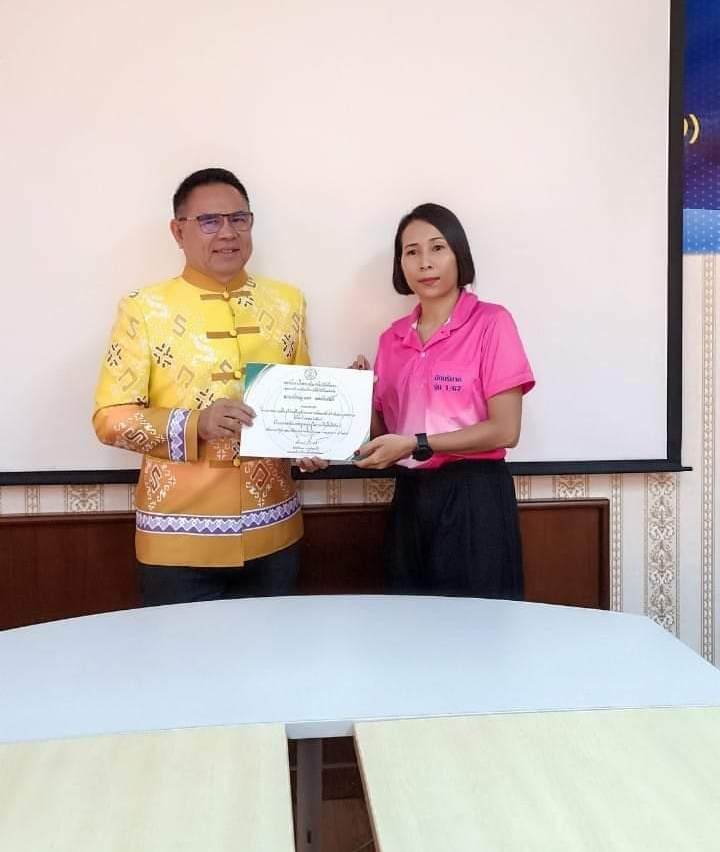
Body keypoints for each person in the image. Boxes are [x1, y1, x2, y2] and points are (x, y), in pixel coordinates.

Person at [93, 167, 323, 606]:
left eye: (239, 219)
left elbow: (298, 401)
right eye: (209, 221)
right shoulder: (144, 309)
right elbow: (110, 419)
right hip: (176, 537)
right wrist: (196, 423)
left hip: (274, 532)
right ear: (178, 231)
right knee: (184, 652)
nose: (227, 233)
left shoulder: (287, 302)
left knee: (274, 649)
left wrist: (312, 439)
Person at [354, 203, 534, 598]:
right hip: (409, 496)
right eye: (411, 252)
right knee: (409, 621)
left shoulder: (491, 323)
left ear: (458, 255)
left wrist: (418, 444)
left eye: (437, 248)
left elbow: (506, 430)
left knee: (477, 623)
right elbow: (384, 438)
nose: (425, 263)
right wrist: (358, 398)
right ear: (401, 265)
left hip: (474, 496)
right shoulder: (392, 339)